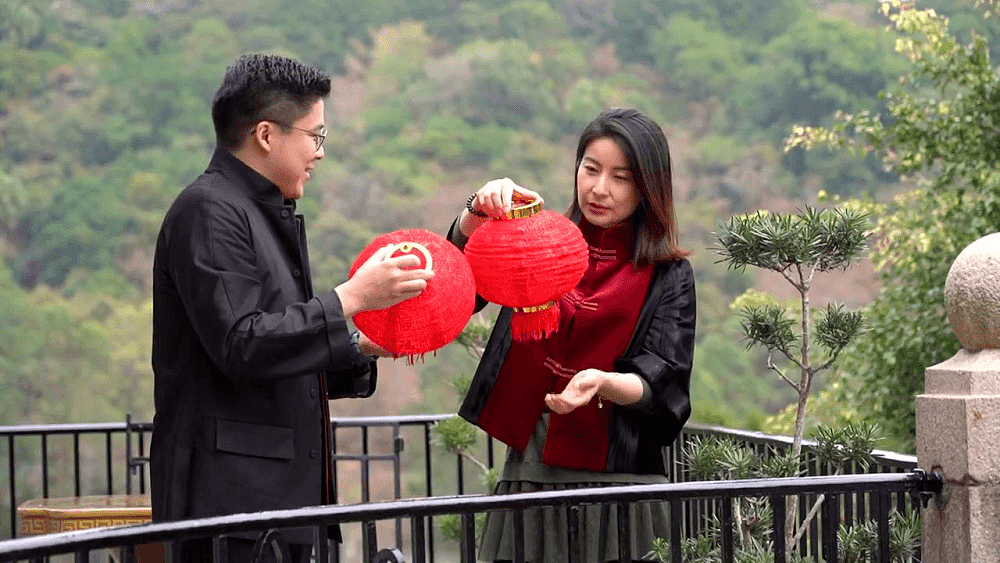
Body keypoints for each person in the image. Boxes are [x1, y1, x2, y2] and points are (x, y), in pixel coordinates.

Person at [150, 54, 433, 562]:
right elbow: (243, 343)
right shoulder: (209, 211)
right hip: (232, 513)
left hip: (275, 509)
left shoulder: (259, 211)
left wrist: (359, 346)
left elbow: (280, 352)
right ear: (266, 134)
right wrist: (351, 298)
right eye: (315, 136)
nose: (320, 153)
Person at [447, 108, 696, 562]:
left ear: (648, 188)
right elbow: (455, 295)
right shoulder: (536, 244)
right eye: (590, 169)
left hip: (623, 486)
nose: (599, 189)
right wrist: (474, 215)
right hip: (531, 475)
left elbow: (666, 381)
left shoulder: (669, 274)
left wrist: (602, 382)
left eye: (621, 177)